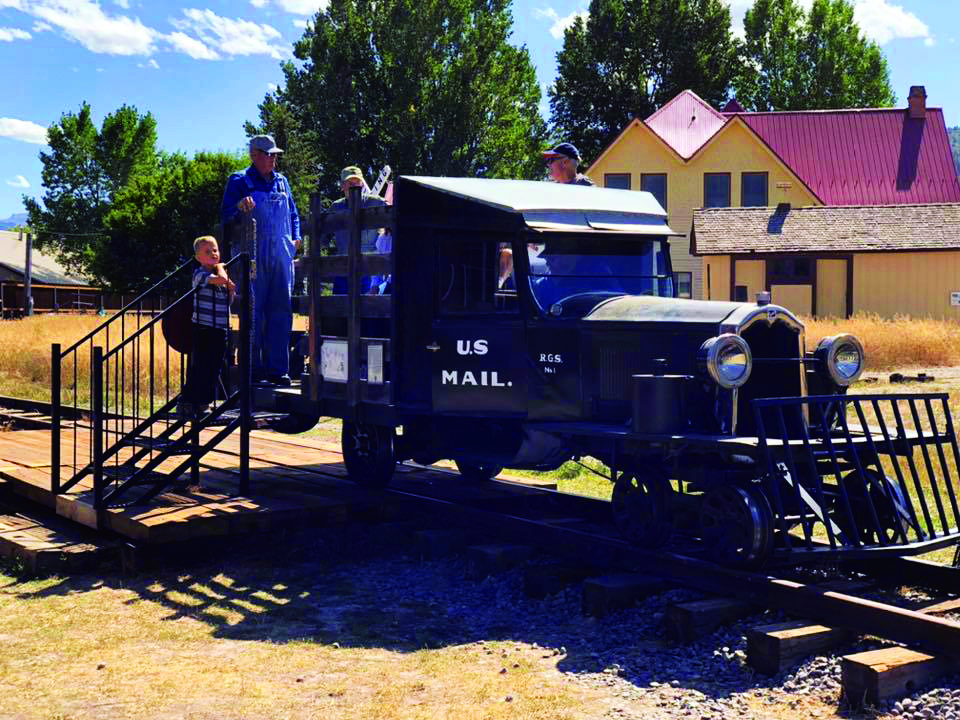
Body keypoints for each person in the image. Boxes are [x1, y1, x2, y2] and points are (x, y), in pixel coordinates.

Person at [221, 135, 301, 386]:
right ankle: (252, 370)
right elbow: (225, 215)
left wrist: (296, 239)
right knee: (253, 313)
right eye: (268, 154)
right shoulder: (239, 181)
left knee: (281, 311)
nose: (273, 158)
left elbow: (294, 215)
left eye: (275, 154)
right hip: (252, 254)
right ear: (254, 155)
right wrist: (239, 208)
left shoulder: (282, 182)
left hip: (281, 255)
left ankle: (278, 371)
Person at [179, 236, 235, 419]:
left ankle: (204, 402)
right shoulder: (200, 274)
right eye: (208, 251)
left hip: (220, 328)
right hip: (203, 327)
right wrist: (221, 269)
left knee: (214, 367)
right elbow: (219, 280)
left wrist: (231, 290)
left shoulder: (221, 277)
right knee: (200, 366)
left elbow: (229, 299)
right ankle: (187, 401)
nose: (213, 254)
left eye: (216, 250)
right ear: (198, 257)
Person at [329, 166, 388, 295]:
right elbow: (322, 237)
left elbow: (393, 223)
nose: (354, 187)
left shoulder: (377, 203)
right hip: (343, 269)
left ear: (362, 184)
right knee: (339, 310)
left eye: (357, 182)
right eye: (350, 183)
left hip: (369, 270)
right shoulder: (335, 207)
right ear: (342, 186)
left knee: (368, 311)